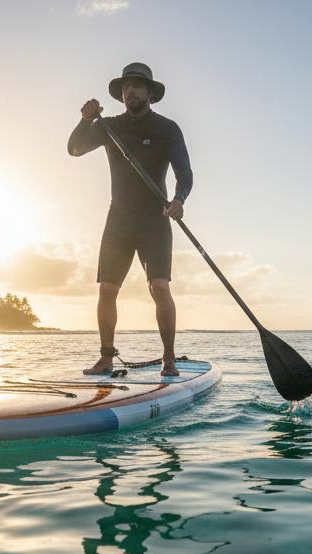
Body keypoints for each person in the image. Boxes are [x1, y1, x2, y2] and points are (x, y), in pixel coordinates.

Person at [68, 62, 192, 377]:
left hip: (155, 219)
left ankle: (169, 359)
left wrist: (178, 200)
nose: (130, 91)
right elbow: (74, 149)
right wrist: (84, 121)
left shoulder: (167, 128)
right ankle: (106, 357)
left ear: (150, 92)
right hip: (118, 219)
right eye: (126, 86)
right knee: (106, 290)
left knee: (159, 287)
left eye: (137, 85)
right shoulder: (108, 126)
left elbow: (184, 173)